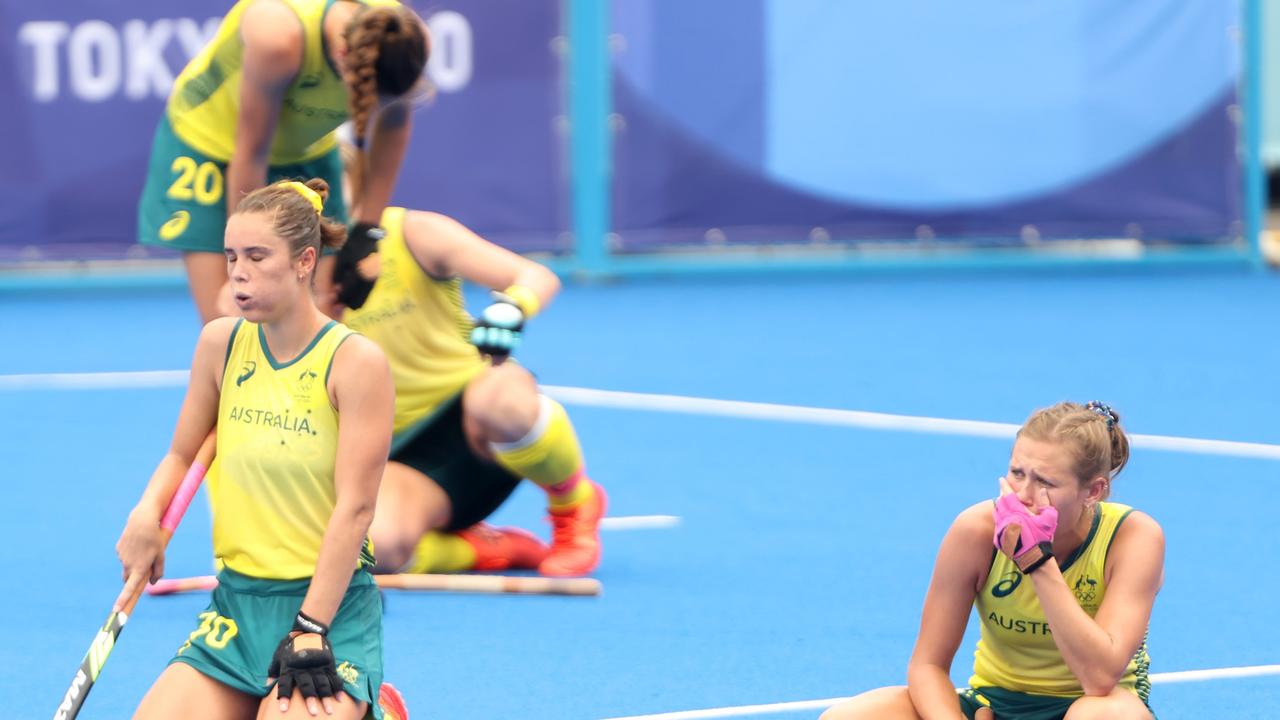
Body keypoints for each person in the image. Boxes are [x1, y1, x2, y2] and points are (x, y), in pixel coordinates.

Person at [116, 179, 407, 719]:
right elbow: (181, 456)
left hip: (329, 607)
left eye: (256, 256)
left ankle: (378, 709)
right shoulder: (220, 344)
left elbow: (357, 507)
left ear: (304, 262)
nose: (238, 274)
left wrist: (312, 627)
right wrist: (145, 515)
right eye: (231, 257)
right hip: (236, 609)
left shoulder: (355, 363)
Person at [821, 401, 1163, 720]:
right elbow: (927, 666)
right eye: (1017, 473)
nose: (1023, 495)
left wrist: (1037, 561)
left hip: (1094, 705)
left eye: (1045, 482)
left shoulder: (1132, 537)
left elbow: (1099, 678)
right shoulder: (976, 531)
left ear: (1092, 491)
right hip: (994, 705)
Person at [326, 201, 607, 578]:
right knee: (374, 548)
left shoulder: (413, 233)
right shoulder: (285, 267)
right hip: (397, 460)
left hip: (478, 422)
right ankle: (481, 549)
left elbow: (534, 276)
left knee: (502, 397)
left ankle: (573, 505)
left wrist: (513, 306)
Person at [137, 0, 429, 322]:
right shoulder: (278, 38)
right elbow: (252, 151)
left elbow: (394, 128)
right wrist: (243, 258)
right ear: (342, 59)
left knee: (320, 320)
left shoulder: (404, 40)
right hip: (211, 149)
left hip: (307, 155)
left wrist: (367, 232)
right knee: (231, 321)